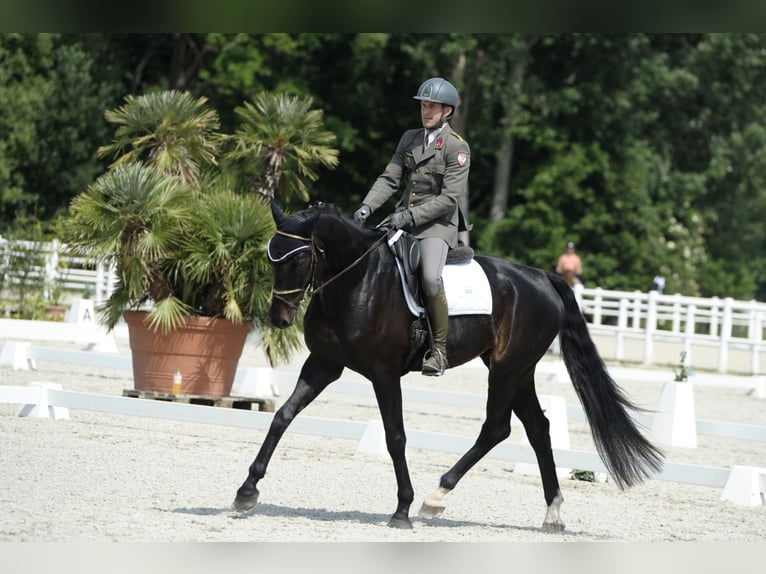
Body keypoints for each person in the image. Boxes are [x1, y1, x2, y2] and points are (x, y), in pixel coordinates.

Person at [353, 77, 471, 377]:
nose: (425, 110)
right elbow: (390, 178)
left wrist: (410, 217)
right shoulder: (410, 139)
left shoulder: (456, 148)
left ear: (447, 111)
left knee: (430, 278)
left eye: (431, 106)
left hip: (437, 226)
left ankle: (439, 351)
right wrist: (367, 206)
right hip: (401, 219)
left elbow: (448, 199)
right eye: (423, 105)